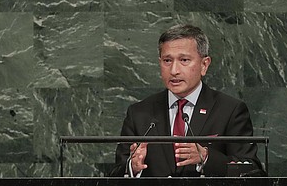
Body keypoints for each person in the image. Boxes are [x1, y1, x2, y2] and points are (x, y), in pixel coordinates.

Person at [112, 24, 262, 177]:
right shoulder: (139, 113)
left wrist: (206, 157)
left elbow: (252, 172)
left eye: (184, 60)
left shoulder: (230, 110)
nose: (174, 70)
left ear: (204, 65)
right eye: (167, 61)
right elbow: (114, 178)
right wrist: (132, 167)